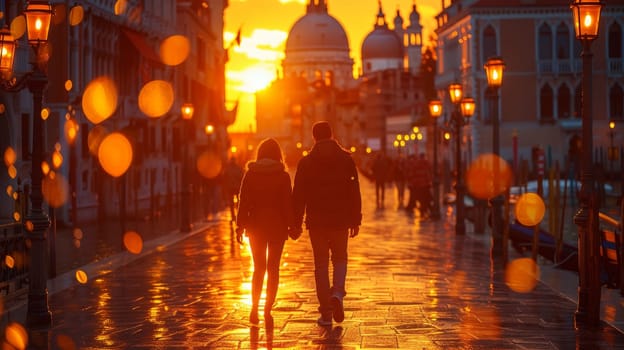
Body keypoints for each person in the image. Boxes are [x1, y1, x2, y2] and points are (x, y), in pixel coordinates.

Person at [292, 121, 362, 327]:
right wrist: (355, 219)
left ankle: (326, 313)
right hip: (340, 220)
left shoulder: (306, 163)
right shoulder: (346, 159)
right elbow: (354, 191)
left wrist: (295, 222)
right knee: (340, 259)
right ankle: (338, 294)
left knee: (321, 265)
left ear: (314, 137)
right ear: (331, 135)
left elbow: (299, 196)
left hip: (317, 221)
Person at [235, 138, 298, 326]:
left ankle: (254, 309)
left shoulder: (250, 174)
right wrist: (292, 225)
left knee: (259, 268)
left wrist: (240, 225)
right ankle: (267, 310)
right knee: (273, 269)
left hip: (255, 228)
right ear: (278, 155)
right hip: (277, 228)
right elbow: (288, 204)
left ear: (260, 154)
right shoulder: (283, 176)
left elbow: (243, 201)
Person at [222, 156, 244, 223]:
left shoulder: (229, 168)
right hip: (234, 187)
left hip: (233, 187)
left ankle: (235, 216)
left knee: (234, 203)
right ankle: (235, 216)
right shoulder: (238, 168)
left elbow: (224, 178)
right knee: (235, 203)